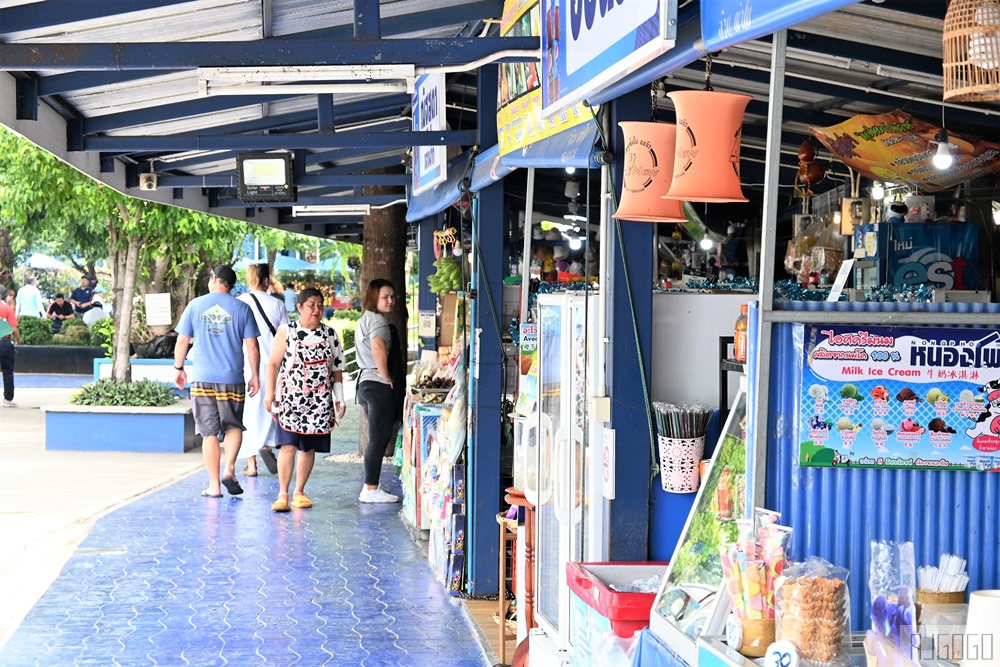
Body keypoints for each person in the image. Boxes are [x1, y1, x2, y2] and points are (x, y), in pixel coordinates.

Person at [173, 265, 261, 498]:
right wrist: (255, 375)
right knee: (233, 425)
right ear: (231, 285)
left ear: (214, 279)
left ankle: (214, 486)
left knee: (209, 433)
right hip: (232, 378)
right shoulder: (242, 308)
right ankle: (229, 467)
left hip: (203, 379)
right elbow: (252, 346)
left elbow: (182, 341)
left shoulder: (195, 305)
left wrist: (179, 368)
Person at [263, 288, 346, 511]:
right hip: (290, 400)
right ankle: (283, 494)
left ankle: (299, 491)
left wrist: (340, 398)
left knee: (308, 449)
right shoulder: (287, 331)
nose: (316, 310)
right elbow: (272, 364)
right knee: (288, 446)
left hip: (319, 402)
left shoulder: (330, 334)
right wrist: (269, 392)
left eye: (320, 305)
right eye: (311, 305)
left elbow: (337, 368)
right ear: (299, 307)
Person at [354, 278, 405, 503]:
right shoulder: (378, 322)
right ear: (374, 298)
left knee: (378, 438)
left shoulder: (366, 319)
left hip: (364, 383)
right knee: (378, 438)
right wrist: (385, 374)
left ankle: (372, 486)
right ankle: (371, 488)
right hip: (377, 385)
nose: (390, 301)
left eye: (392, 297)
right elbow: (378, 345)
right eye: (385, 297)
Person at [237, 263, 289, 478]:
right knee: (270, 408)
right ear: (267, 280)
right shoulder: (277, 305)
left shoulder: (239, 303)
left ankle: (251, 464)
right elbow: (286, 335)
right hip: (273, 366)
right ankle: (266, 445)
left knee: (247, 413)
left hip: (246, 365)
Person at [0, 298, 22, 407]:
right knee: (7, 371)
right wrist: (18, 340)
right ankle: (8, 399)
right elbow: (14, 328)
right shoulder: (7, 309)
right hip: (4, 343)